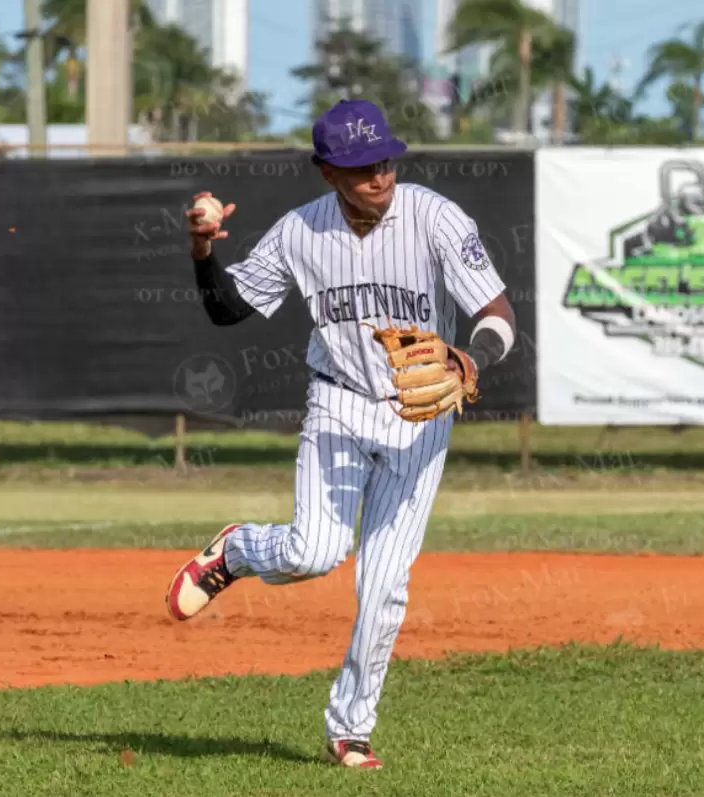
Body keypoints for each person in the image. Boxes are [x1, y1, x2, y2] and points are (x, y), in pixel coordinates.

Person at [165, 98, 517, 770]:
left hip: (420, 414)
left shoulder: (435, 218)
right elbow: (226, 309)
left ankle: (349, 728)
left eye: (384, 160)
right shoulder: (301, 231)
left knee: (384, 585)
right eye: (360, 167)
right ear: (328, 172)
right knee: (312, 552)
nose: (378, 176)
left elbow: (496, 312)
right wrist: (202, 249)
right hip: (337, 400)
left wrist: (470, 360)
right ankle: (238, 550)